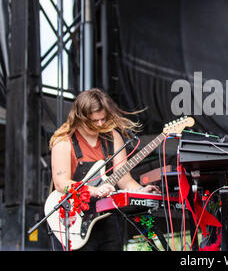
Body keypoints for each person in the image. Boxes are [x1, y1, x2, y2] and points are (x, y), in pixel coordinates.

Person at [49, 88, 159, 250]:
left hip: (107, 218)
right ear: (80, 118)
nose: (101, 124)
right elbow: (60, 183)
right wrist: (93, 191)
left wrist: (140, 191)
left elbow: (124, 179)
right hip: (74, 221)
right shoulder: (64, 141)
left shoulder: (113, 137)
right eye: (94, 121)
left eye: (103, 119)